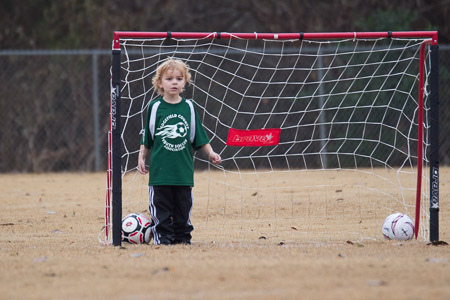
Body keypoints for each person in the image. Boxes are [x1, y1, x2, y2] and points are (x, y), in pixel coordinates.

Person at [138, 58, 221, 245]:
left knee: (183, 210)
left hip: (183, 173)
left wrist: (211, 153)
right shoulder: (155, 107)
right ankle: (163, 239)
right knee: (161, 210)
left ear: (185, 82)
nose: (174, 82)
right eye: (169, 79)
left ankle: (183, 239)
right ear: (160, 83)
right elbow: (147, 138)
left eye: (178, 78)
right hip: (160, 174)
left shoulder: (189, 107)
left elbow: (199, 137)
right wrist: (141, 156)